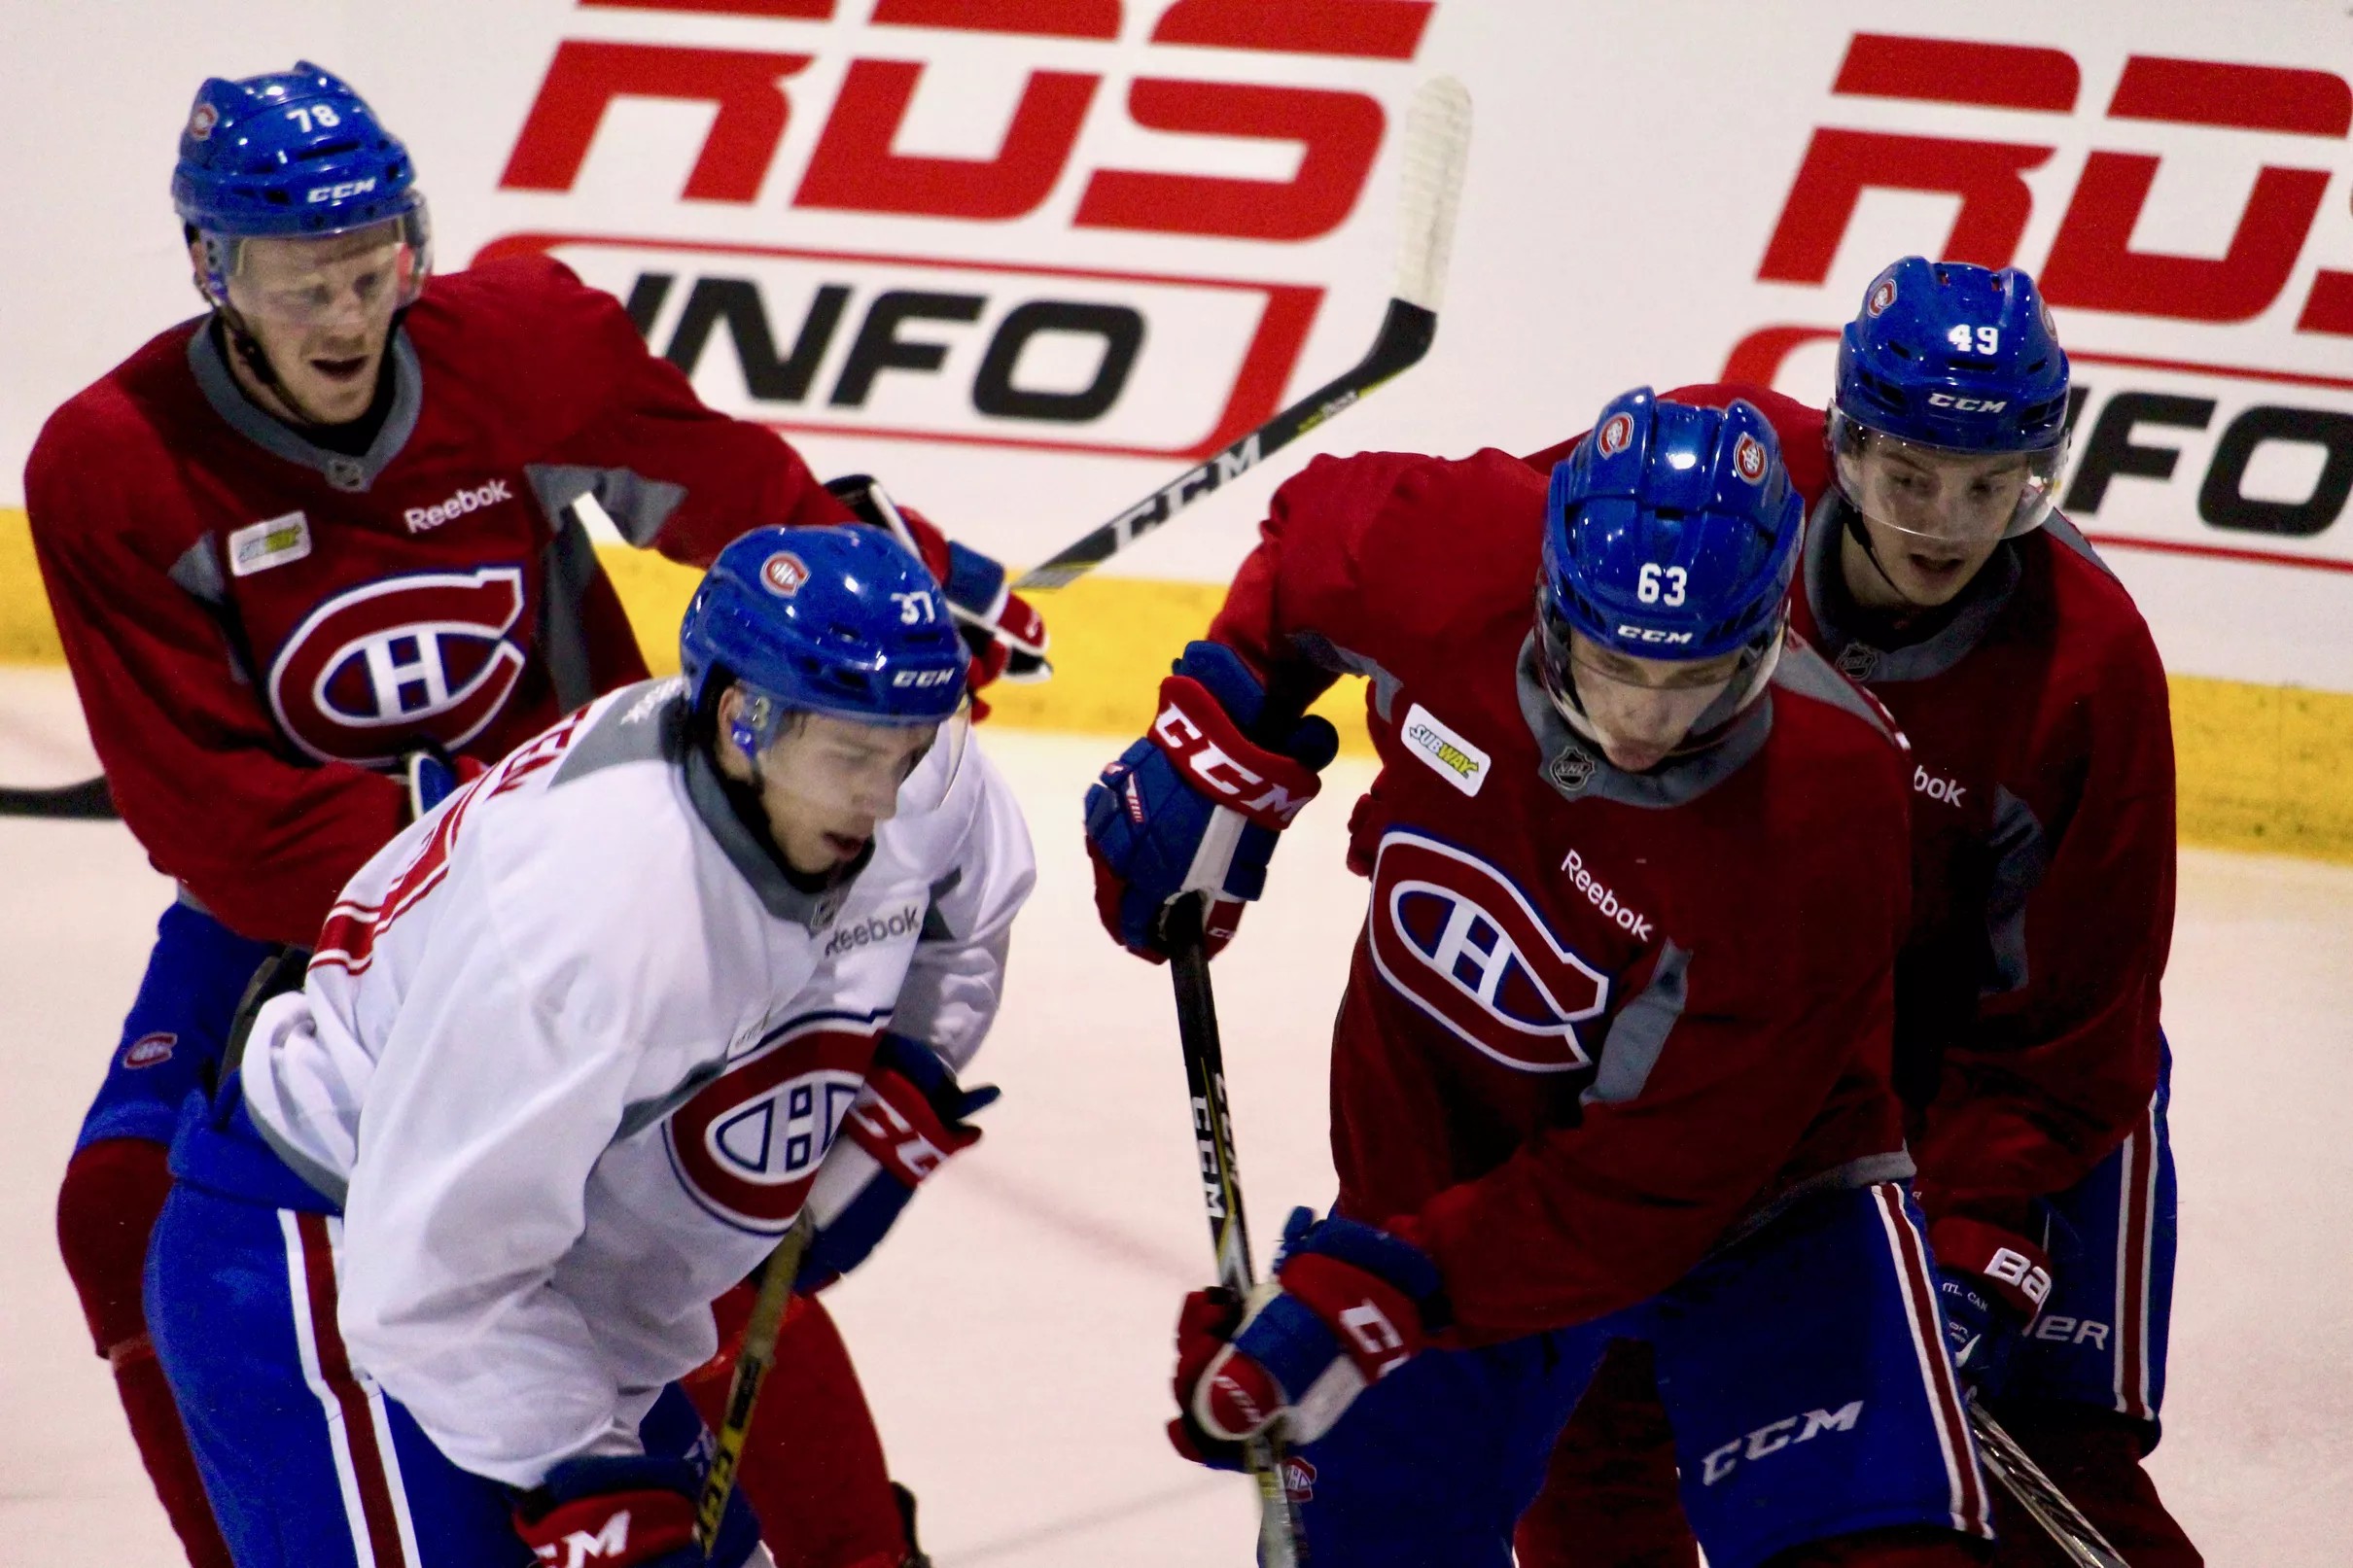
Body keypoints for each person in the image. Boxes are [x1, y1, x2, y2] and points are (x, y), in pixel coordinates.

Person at [26, 61, 1043, 1568]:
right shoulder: (114, 463)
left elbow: (738, 503)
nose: (346, 315)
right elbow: (213, 813)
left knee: (688, 1172)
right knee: (120, 1205)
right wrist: (458, 854)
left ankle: (844, 1544)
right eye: (296, 281)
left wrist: (884, 590)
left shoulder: (520, 343)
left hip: (623, 866)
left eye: (372, 268)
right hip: (317, 898)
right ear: (210, 270)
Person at [1084, 388, 1995, 1566]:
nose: (1642, 720)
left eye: (1698, 676)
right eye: (1612, 662)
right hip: (1439, 1163)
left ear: (1771, 630)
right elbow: (1305, 549)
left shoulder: (1824, 806)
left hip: (1767, 1206)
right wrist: (1217, 732)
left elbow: (1652, 1179)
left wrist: (1384, 1290)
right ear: (1547, 595)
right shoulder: (1451, 545)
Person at [144, 524, 1036, 1568]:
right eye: (851, 758)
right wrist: (593, 1484)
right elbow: (426, 1283)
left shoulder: (903, 765)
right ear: (743, 718)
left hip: (545, 1280)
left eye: (910, 751)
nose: (884, 798)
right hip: (331, 1266)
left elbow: (963, 916)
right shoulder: (593, 921)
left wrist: (898, 1092)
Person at [1515, 261, 2196, 1567]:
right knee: (1591, 1429)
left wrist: (1977, 1227)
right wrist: (1260, 677)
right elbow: (1493, 543)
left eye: (1995, 483)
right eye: (1911, 477)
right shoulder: (1713, 482)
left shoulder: (2089, 669)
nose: (1948, 522)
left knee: (2048, 1476)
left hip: (2013, 1097)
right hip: (1739, 1051)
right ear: (1846, 437)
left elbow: (2082, 1024)